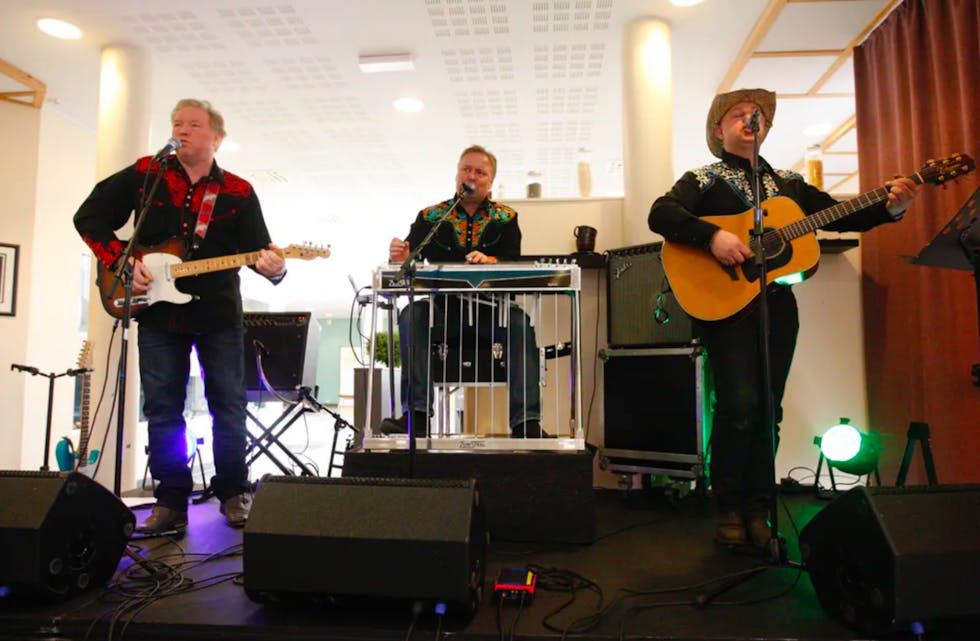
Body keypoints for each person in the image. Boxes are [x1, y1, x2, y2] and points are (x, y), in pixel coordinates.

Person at [648, 88, 921, 548]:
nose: (749, 121)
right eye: (737, 115)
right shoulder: (702, 178)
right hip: (725, 308)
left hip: (776, 304)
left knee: (767, 412)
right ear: (720, 130)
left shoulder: (790, 183)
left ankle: (759, 506)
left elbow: (841, 214)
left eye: (757, 116)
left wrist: (892, 206)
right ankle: (729, 505)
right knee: (736, 408)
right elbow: (661, 214)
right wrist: (713, 236)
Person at [74, 99, 287, 534]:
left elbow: (261, 251)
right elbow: (88, 217)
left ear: (217, 138)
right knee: (162, 408)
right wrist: (120, 261)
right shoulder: (145, 175)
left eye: (194, 124)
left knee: (228, 405)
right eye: (177, 123)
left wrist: (276, 267)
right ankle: (170, 500)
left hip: (219, 313)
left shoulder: (239, 191)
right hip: (156, 312)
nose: (183, 130)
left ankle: (233, 492)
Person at [382, 145, 543, 438]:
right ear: (457, 174)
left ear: (490, 181)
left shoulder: (506, 217)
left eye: (479, 172)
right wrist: (399, 256)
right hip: (442, 311)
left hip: (493, 312)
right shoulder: (431, 216)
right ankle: (416, 417)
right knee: (411, 316)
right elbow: (411, 256)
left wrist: (491, 261)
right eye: (466, 169)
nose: (471, 176)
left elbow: (513, 260)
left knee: (521, 325)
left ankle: (526, 423)